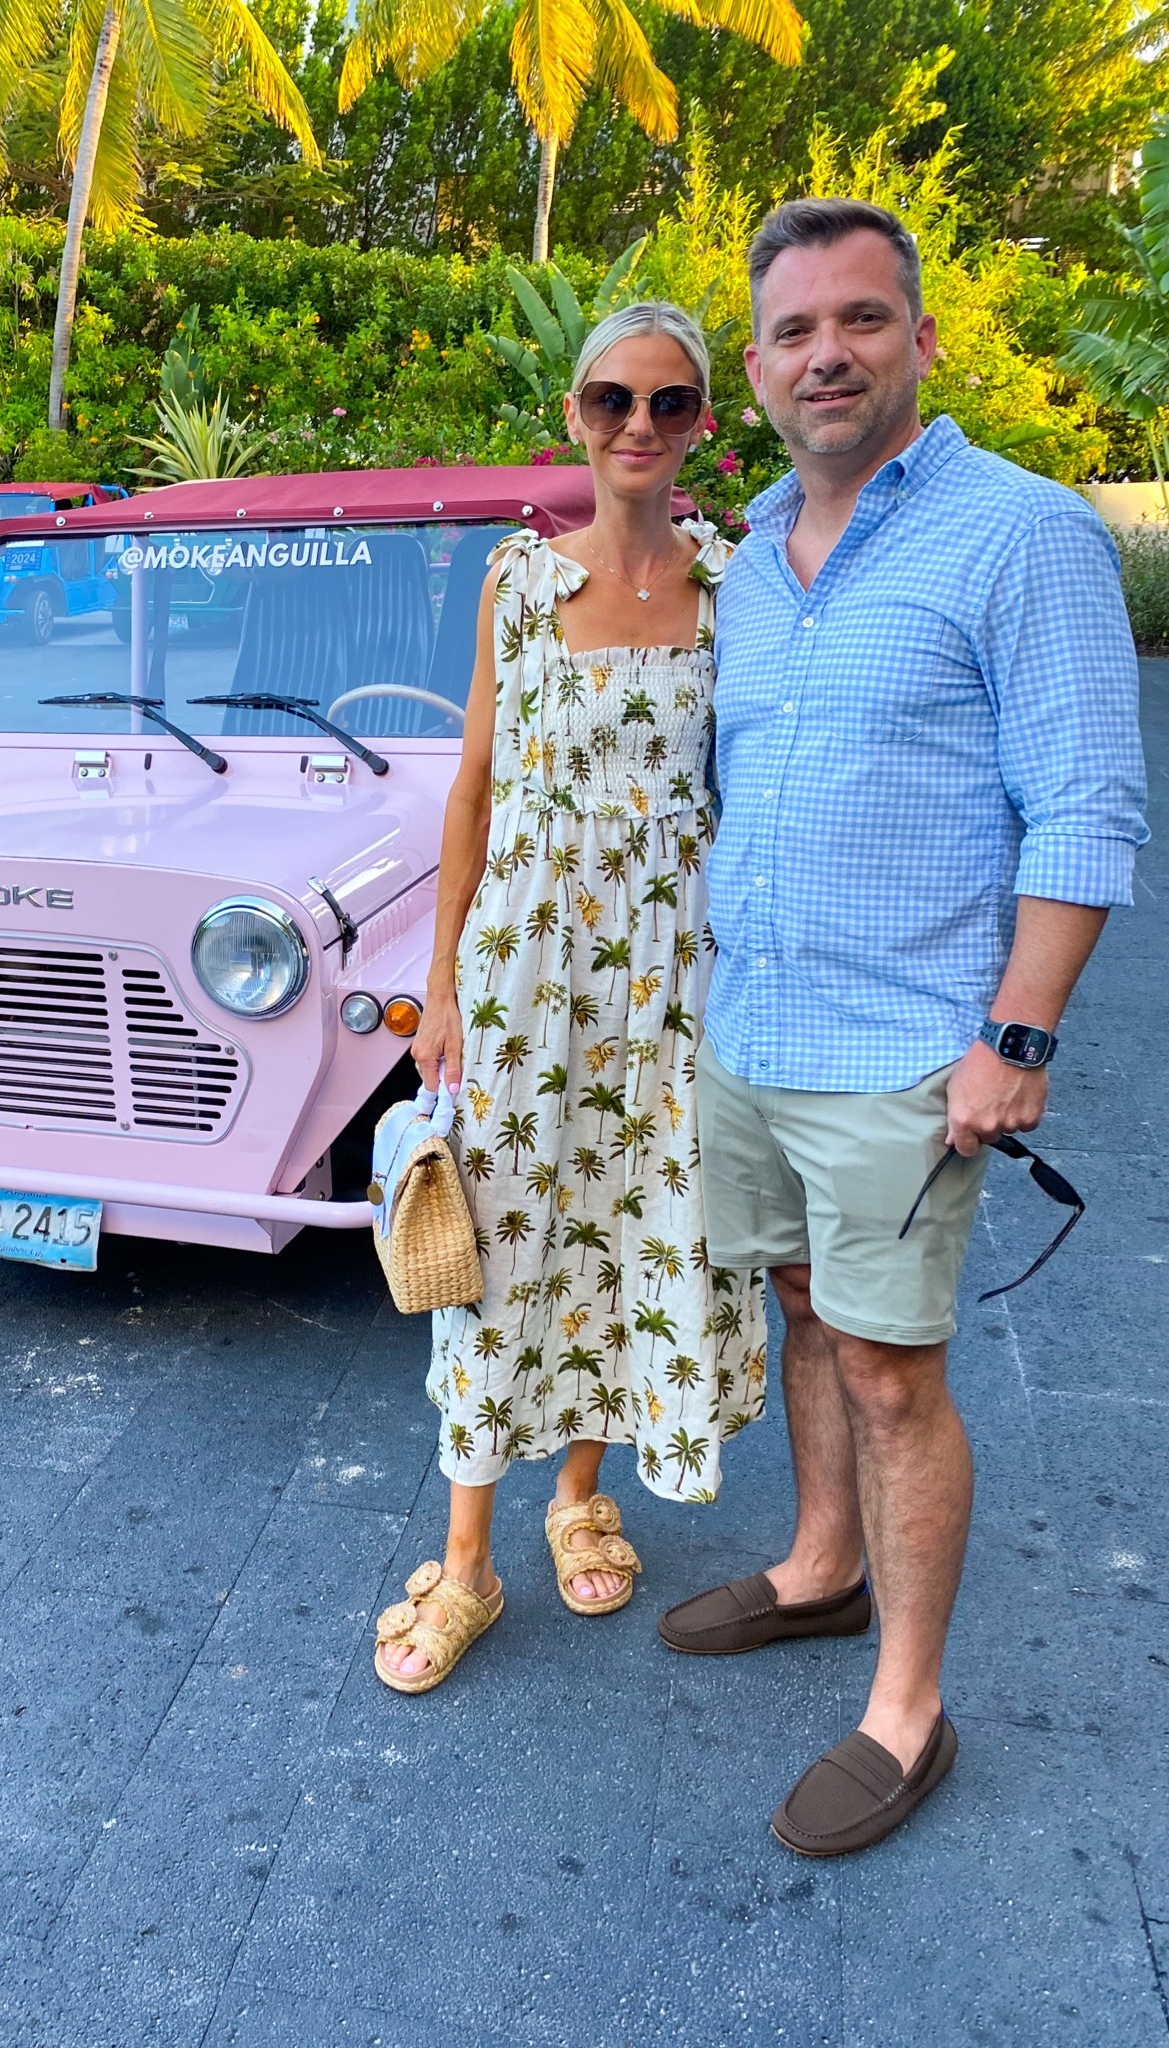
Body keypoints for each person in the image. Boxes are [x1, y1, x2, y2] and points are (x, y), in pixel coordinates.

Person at [658, 198, 1149, 1853]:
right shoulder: (750, 556)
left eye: (862, 320)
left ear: (922, 337)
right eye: (795, 332)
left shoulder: (1023, 535)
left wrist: (1016, 1041)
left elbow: (1086, 809)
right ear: (758, 365)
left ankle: (909, 1708)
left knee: (890, 1372)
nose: (829, 355)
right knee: (805, 1311)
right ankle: (819, 1568)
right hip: (759, 1028)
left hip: (906, 1053)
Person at [375, 302, 768, 1696]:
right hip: (529, 971)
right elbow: (472, 788)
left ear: (705, 424)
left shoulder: (737, 583)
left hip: (674, 977)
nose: (641, 428)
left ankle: (576, 1496)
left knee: (640, 1229)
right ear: (576, 414)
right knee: (496, 1248)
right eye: (615, 400)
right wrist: (440, 989)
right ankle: (468, 1558)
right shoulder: (519, 582)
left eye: (671, 404)